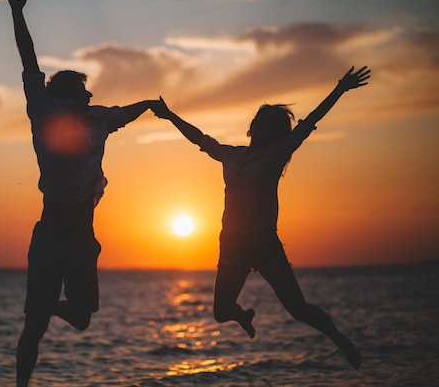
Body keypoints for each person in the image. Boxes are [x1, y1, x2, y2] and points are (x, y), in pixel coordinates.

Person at [152, 66, 371, 370]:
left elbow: (310, 122)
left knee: (298, 309)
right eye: (260, 120)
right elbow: (199, 138)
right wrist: (169, 114)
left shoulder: (278, 153)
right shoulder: (232, 155)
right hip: (231, 243)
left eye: (271, 124)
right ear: (252, 125)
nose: (262, 125)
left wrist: (340, 88)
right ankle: (243, 316)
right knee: (221, 311)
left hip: (264, 243)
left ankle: (340, 338)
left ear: (278, 133)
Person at [8, 0, 165, 387]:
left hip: (82, 238)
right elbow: (28, 58)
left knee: (81, 318)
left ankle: (54, 307)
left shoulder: (99, 118)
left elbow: (126, 113)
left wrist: (150, 103)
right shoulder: (44, 110)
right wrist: (17, 11)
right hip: (50, 236)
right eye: (83, 87)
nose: (90, 91)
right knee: (34, 329)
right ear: (66, 91)